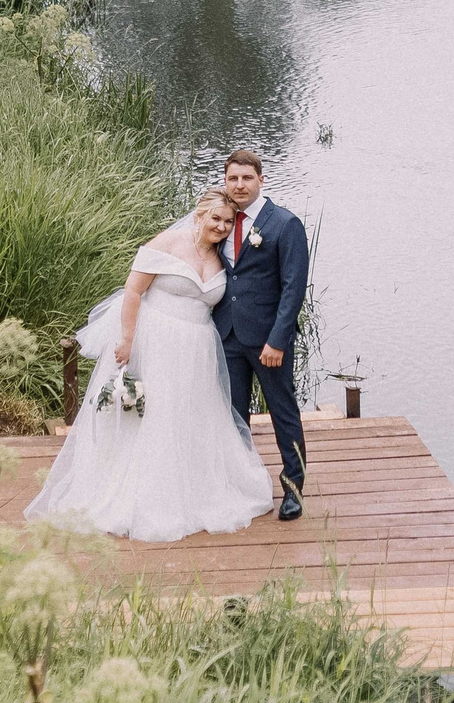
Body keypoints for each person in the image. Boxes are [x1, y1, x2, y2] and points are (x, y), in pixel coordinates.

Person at [24, 190, 274, 541]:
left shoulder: (223, 258)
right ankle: (143, 494)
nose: (220, 226)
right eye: (215, 218)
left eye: (228, 221)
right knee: (152, 415)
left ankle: (191, 487)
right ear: (199, 215)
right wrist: (126, 340)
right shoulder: (168, 242)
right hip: (155, 340)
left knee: (188, 414)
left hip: (197, 348)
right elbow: (133, 291)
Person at [213, 150, 310, 521]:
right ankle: (243, 485)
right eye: (233, 178)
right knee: (235, 415)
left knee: (282, 411)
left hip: (269, 340)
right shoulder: (220, 221)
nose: (239, 185)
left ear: (261, 180)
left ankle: (293, 490)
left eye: (246, 178)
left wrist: (278, 340)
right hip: (228, 336)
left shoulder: (284, 224)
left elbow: (293, 288)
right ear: (226, 180)